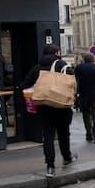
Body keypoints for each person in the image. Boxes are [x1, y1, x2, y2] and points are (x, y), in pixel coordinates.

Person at [22, 44, 76, 178]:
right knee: (64, 133)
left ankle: (50, 166)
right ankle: (67, 156)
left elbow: (25, 85)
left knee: (48, 136)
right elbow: (72, 83)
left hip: (44, 106)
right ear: (56, 53)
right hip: (62, 105)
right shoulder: (62, 65)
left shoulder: (37, 68)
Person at [74, 53, 95, 144]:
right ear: (93, 60)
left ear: (84, 60)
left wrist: (75, 93)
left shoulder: (79, 68)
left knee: (86, 115)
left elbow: (75, 81)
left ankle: (89, 134)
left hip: (83, 95)